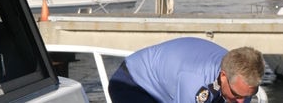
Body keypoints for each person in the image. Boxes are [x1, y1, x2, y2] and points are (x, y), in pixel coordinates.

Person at [108, 37, 265, 103]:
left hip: (169, 86)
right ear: (223, 76)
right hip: (133, 83)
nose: (242, 101)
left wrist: (241, 95)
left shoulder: (242, 83)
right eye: (237, 95)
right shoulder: (196, 83)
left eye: (249, 95)